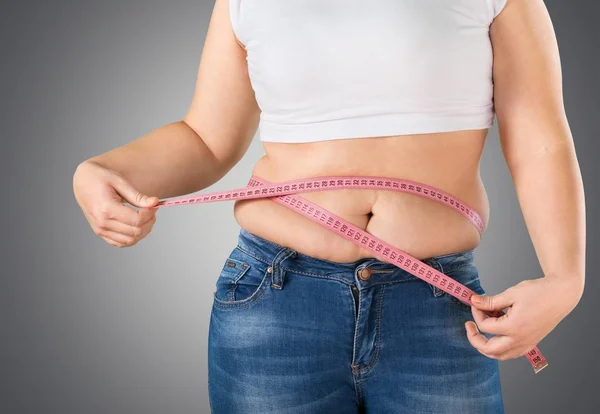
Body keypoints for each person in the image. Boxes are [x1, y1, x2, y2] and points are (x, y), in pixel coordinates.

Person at [72, 0, 586, 412]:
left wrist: (566, 278)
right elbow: (207, 138)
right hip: (273, 298)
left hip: (437, 304)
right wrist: (105, 170)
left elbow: (540, 139)